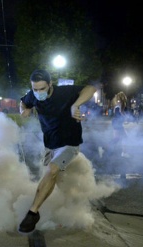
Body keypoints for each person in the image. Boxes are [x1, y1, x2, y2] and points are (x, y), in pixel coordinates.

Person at [18, 69, 97, 233]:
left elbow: (90, 89)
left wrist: (76, 104)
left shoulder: (65, 92)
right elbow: (24, 102)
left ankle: (33, 213)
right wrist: (23, 110)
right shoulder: (32, 95)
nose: (38, 92)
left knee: (52, 170)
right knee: (51, 177)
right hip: (50, 144)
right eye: (35, 89)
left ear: (50, 84)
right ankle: (62, 204)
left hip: (69, 143)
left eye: (42, 88)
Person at [111, 92, 130, 158]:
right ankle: (123, 153)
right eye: (124, 96)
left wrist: (125, 117)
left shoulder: (118, 102)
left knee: (118, 138)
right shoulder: (119, 102)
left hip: (116, 122)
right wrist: (124, 118)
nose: (125, 97)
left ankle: (106, 149)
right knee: (123, 137)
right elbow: (117, 112)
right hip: (117, 123)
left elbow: (121, 112)